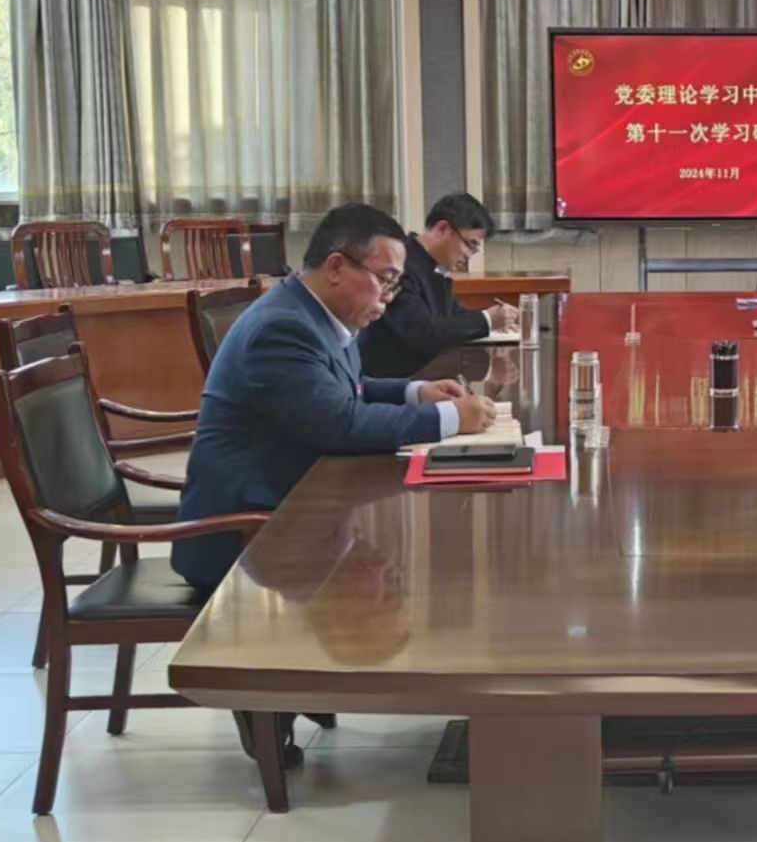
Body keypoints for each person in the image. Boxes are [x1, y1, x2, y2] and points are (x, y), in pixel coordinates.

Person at [174, 202, 498, 599]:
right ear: (335, 267)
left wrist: (415, 392)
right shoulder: (282, 328)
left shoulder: (312, 312)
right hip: (251, 538)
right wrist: (448, 418)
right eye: (385, 280)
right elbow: (340, 424)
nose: (388, 297)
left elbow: (348, 387)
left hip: (296, 512)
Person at [360, 192, 521, 378]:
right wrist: (487, 320)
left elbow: (452, 315)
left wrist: (493, 323)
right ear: (443, 229)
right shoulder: (401, 265)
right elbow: (424, 334)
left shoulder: (433, 266)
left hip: (427, 374)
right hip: (394, 380)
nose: (469, 255)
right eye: (470, 244)